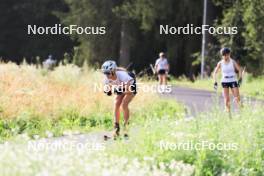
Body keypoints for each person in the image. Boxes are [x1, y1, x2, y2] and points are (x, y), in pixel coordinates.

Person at [101, 60, 137, 139]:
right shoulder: (106, 78)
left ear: (113, 71)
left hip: (130, 86)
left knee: (124, 104)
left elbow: (129, 90)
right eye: (104, 73)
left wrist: (117, 90)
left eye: (108, 73)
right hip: (121, 86)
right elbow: (108, 90)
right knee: (116, 103)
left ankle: (126, 128)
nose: (106, 75)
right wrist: (108, 90)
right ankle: (116, 129)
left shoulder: (123, 76)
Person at [213, 47, 242, 112]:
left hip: (233, 80)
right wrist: (215, 82)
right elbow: (215, 73)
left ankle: (242, 112)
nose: (226, 56)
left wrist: (240, 79)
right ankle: (228, 115)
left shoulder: (233, 62)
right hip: (224, 81)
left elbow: (239, 70)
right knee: (226, 100)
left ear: (229, 54)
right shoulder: (220, 63)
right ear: (222, 55)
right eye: (224, 55)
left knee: (237, 98)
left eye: (227, 55)